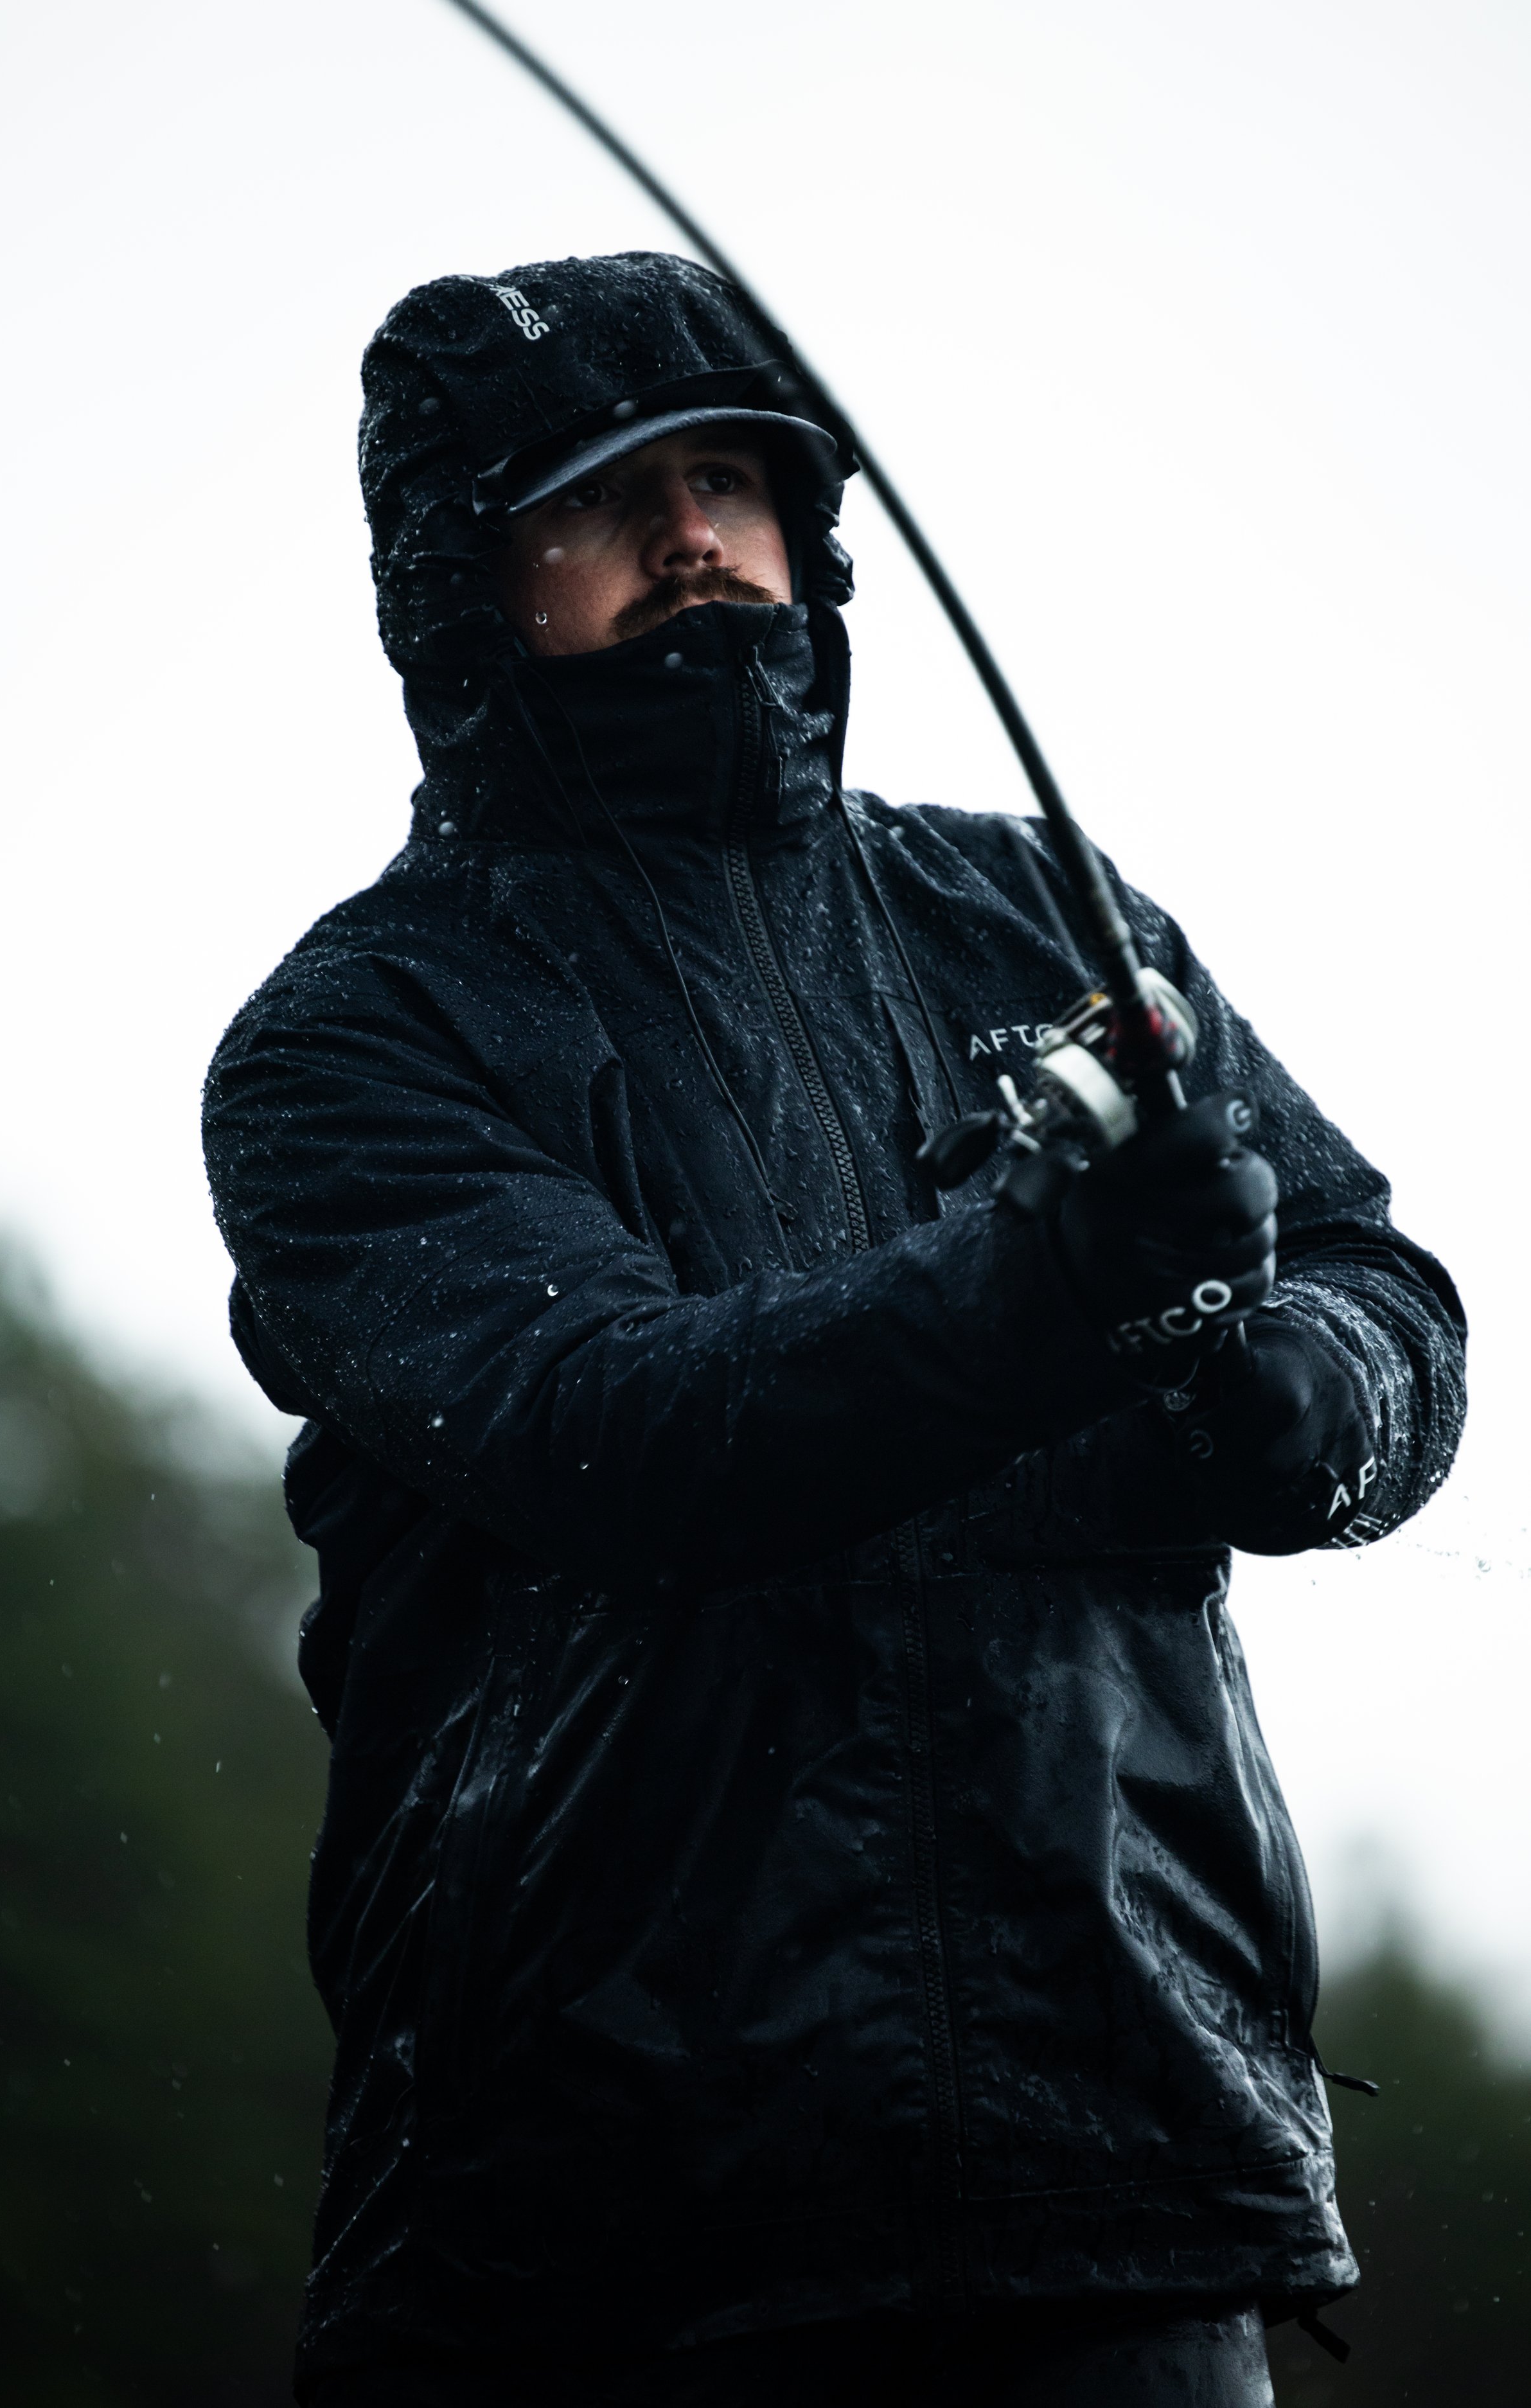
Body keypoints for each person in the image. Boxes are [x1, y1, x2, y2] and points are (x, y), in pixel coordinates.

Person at [202, 253, 1465, 2407]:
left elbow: (1376, 1280)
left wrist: (1306, 1396)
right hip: (596, 2236)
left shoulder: (1035, 906)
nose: (690, 536)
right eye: (603, 503)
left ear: (809, 534)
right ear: (461, 587)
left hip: (1128, 2173)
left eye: (729, 480)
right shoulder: (353, 1042)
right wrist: (1046, 1285)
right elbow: (622, 1429)